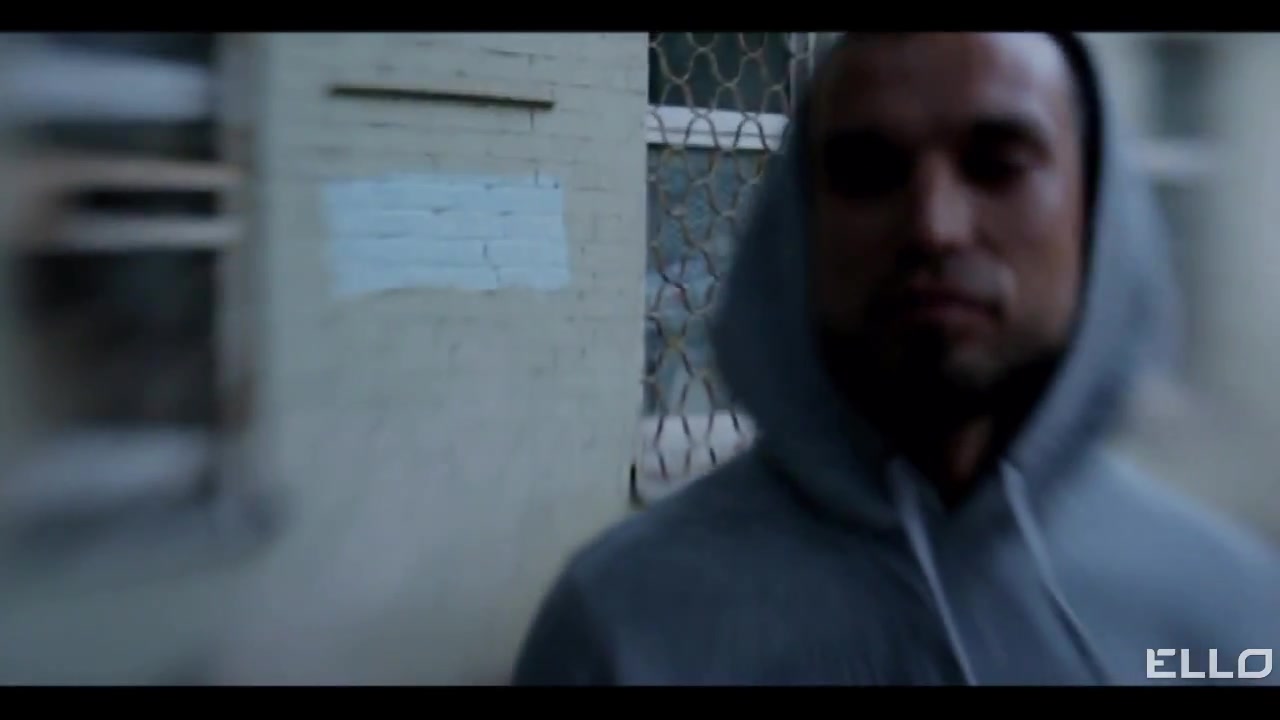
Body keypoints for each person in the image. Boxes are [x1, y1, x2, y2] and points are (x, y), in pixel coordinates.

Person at [511, 32, 1280, 685]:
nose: (935, 226)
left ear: (1096, 208)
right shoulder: (624, 627)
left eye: (998, 163)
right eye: (869, 171)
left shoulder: (1229, 617)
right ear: (800, 221)